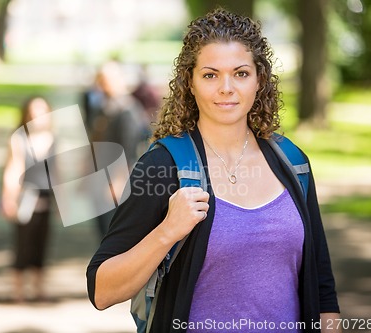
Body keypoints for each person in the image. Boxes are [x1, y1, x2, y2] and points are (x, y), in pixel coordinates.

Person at [86, 8, 341, 333]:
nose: (226, 87)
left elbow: (323, 289)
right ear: (189, 83)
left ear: (259, 79)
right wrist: (167, 231)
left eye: (241, 73)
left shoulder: (292, 162)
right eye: (210, 75)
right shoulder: (164, 166)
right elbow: (102, 289)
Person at [85, 61, 150, 238]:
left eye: (109, 79)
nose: (104, 83)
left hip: (114, 180)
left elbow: (128, 149)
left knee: (111, 231)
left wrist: (119, 181)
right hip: (98, 176)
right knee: (100, 228)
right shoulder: (103, 106)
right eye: (102, 79)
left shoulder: (128, 110)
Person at [0, 96, 54, 304]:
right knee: (23, 244)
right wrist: (8, 198)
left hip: (46, 198)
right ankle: (18, 291)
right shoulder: (19, 138)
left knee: (42, 243)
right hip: (26, 198)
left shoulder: (52, 138)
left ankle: (39, 288)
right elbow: (13, 169)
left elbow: (56, 172)